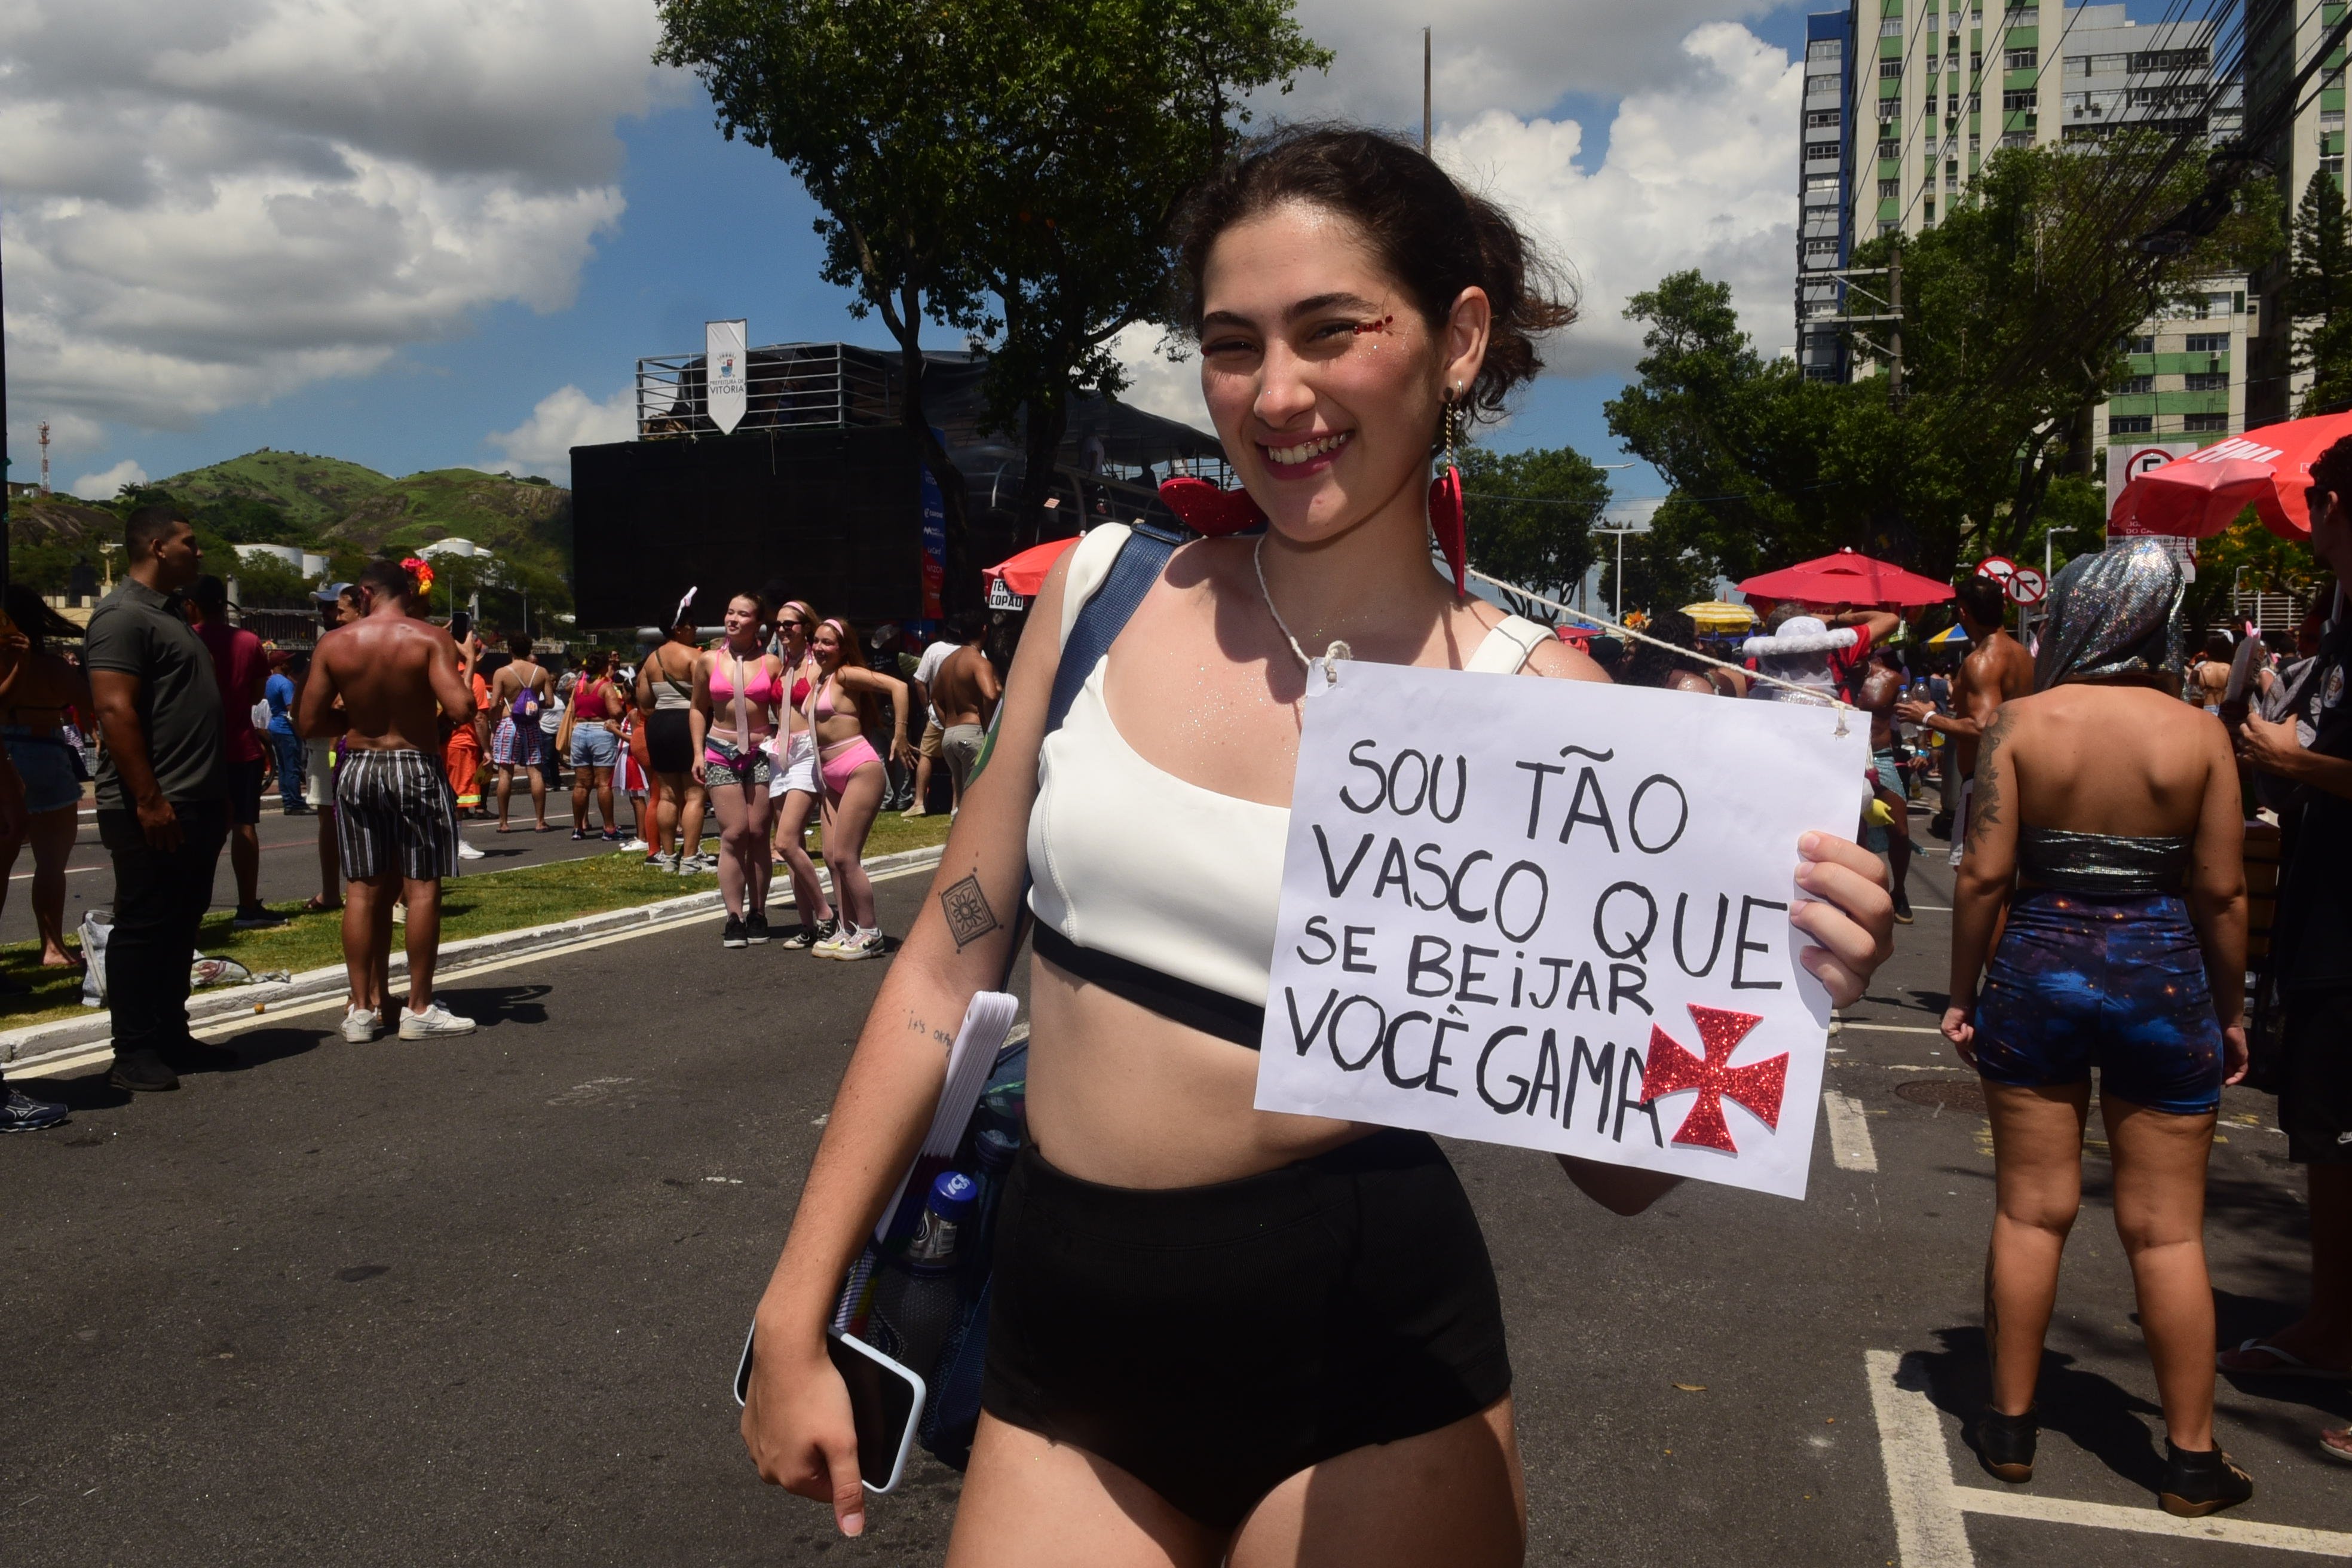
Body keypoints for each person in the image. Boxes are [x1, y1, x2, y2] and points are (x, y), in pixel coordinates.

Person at [737, 126, 1895, 1558]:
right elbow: (943, 960)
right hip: (1058, 1352)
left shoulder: (1543, 703)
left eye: (1332, 330)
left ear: (1457, 341)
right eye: (1233, 345)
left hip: (1370, 1382)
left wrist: (1783, 983)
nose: (1276, 393)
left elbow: (1616, 1166)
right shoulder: (1100, 594)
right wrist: (796, 1302)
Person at [1942, 541, 2252, 1517]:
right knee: (2166, 1231)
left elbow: (1983, 875)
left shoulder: (2023, 724)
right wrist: (2231, 1007)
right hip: (2161, 976)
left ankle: (2009, 1425)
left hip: (2036, 968)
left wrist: (1962, 990)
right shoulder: (2199, 734)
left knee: (2031, 1210)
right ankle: (2191, 1459)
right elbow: (2222, 891)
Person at [2227, 437, 2352, 1460]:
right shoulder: (2340, 618)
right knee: (2324, 1129)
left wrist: (2293, 759)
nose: (2308, 522)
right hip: (2324, 911)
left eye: (2316, 503)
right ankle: (2330, 1324)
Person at [84, 504, 235, 1093]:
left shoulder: (170, 612)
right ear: (156, 546)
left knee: (181, 922)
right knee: (143, 923)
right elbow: (114, 709)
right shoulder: (122, 615)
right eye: (189, 543)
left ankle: (172, 1034)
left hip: (196, 797)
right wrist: (148, 798)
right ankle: (133, 1049)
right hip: (151, 803)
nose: (198, 552)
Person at [298, 560, 478, 1041]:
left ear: (364, 593)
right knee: (421, 888)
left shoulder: (335, 644)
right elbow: (460, 707)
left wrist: (357, 721)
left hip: (358, 765)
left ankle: (361, 1010)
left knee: (362, 889)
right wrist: (466, 664)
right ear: (408, 593)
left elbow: (308, 721)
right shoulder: (428, 638)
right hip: (414, 763)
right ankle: (419, 1007)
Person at [1898, 575, 2033, 866]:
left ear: (1962, 612)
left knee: (1973, 877)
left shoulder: (1982, 660)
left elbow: (1983, 726)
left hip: (1986, 783)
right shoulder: (2022, 655)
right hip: (2018, 778)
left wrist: (1927, 717)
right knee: (2003, 876)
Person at [804, 617, 912, 960]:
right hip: (829, 774)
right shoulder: (818, 678)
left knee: (845, 857)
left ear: (843, 648)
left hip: (858, 768)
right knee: (831, 858)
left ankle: (870, 931)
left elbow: (899, 687)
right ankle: (848, 928)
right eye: (816, 641)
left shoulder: (846, 674)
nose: (820, 648)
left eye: (828, 642)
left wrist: (900, 734)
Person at [0, 586, 95, 971]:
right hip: (44, 750)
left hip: (4, 754)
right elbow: (91, 702)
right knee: (51, 862)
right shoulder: (53, 667)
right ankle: (52, 947)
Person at [185, 575, 284, 930]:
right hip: (241, 746)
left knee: (199, 832)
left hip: (196, 750)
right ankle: (247, 905)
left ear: (191, 605)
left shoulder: (185, 638)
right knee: (245, 824)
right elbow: (257, 694)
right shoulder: (248, 641)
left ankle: (191, 908)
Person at [692, 593, 785, 947]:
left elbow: (787, 710)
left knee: (759, 833)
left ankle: (758, 912)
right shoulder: (708, 661)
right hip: (720, 751)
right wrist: (698, 752)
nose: (732, 618)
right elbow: (698, 708)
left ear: (757, 623)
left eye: (742, 614)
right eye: (729, 612)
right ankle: (734, 916)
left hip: (761, 752)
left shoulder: (772, 663)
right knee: (734, 833)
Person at [767, 601, 837, 947]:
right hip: (780, 753)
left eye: (789, 624)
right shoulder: (784, 665)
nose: (782, 629)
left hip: (807, 752)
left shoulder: (817, 665)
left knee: (784, 842)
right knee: (794, 846)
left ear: (806, 627)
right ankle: (807, 924)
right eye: (778, 624)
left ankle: (826, 914)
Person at [636, 613, 708, 872]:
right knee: (695, 794)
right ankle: (690, 858)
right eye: (692, 625)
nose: (696, 629)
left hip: (659, 725)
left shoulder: (651, 660)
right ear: (678, 628)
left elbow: (644, 703)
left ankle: (668, 857)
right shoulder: (695, 657)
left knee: (666, 794)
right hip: (688, 722)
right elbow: (707, 697)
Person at [304, 585, 360, 912]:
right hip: (324, 742)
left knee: (355, 817)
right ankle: (331, 890)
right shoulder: (327, 644)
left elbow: (338, 702)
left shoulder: (350, 643)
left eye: (334, 608)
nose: (328, 615)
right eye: (325, 609)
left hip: (346, 742)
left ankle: (358, 890)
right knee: (327, 817)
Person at [1857, 645, 1917, 923]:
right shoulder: (1830, 677)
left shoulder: (1892, 679)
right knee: (1850, 834)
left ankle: (1900, 891)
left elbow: (1910, 717)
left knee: (1900, 831)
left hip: (1880, 757)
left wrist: (1920, 750)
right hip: (1844, 758)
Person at [929, 612, 1002, 803]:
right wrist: (990, 730)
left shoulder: (947, 663)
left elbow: (935, 698)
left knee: (963, 800)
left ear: (961, 632)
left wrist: (948, 725)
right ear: (985, 630)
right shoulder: (979, 662)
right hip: (972, 732)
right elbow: (990, 695)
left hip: (950, 737)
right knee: (977, 798)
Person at [488, 631, 553, 832]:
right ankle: (540, 821)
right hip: (531, 724)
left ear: (510, 649)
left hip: (509, 723)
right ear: (529, 649)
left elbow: (494, 704)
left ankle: (504, 823)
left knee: (505, 773)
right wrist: (531, 704)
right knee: (535, 772)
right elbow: (550, 702)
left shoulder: (502, 673)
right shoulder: (541, 672)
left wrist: (494, 724)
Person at [566, 648, 624, 842]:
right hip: (601, 731)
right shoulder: (605, 686)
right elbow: (615, 711)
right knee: (603, 783)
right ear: (603, 666)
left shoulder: (579, 685)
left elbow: (574, 707)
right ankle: (609, 828)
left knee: (581, 784)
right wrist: (623, 716)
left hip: (580, 731)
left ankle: (577, 828)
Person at [904, 626, 957, 817]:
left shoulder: (934, 649)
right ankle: (956, 805)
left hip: (936, 714)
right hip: (962, 717)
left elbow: (919, 681)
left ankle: (919, 802)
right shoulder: (974, 651)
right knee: (958, 759)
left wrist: (926, 707)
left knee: (926, 755)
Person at [445, 629, 487, 817]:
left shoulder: (436, 674)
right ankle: (456, 835)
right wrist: (487, 750)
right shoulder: (475, 680)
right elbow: (479, 718)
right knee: (458, 801)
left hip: (436, 743)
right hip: (462, 745)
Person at [265, 650, 306, 816]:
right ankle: (295, 803)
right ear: (281, 664)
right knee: (292, 767)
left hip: (275, 726)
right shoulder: (285, 683)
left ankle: (288, 799)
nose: (290, 664)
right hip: (286, 729)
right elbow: (292, 709)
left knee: (283, 766)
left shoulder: (271, 681)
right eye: (288, 662)